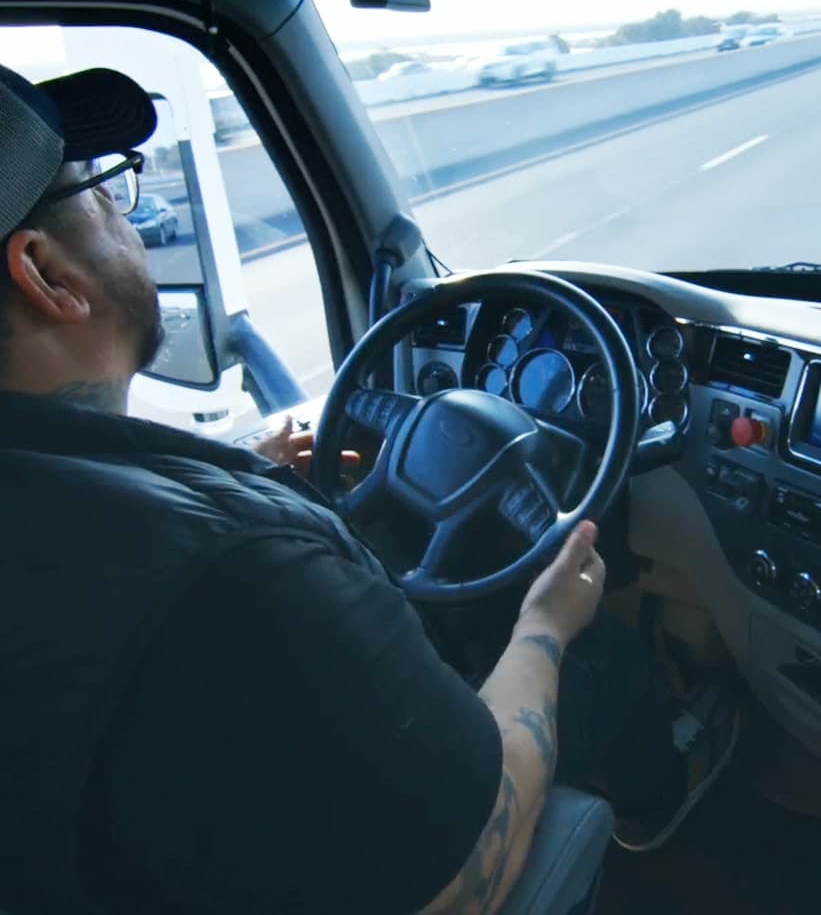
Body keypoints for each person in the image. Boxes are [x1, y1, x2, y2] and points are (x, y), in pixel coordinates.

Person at [0, 63, 737, 915]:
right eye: (104, 194)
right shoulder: (234, 572)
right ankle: (659, 796)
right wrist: (544, 625)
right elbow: (467, 883)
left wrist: (242, 473)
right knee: (599, 664)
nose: (127, 223)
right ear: (47, 273)